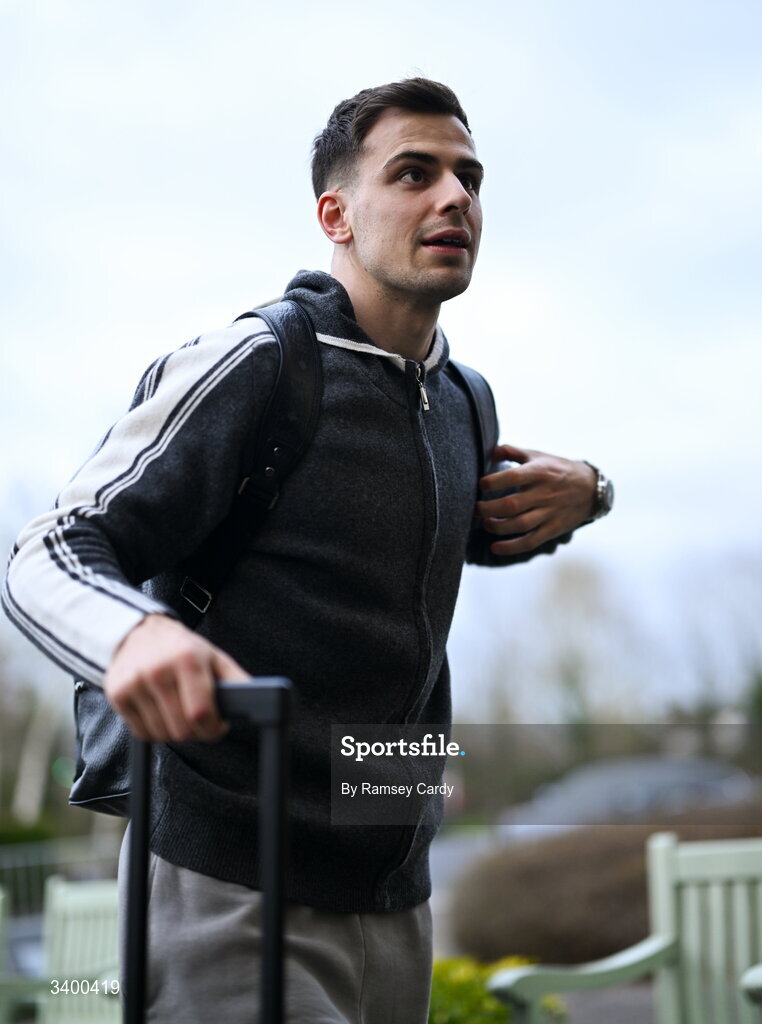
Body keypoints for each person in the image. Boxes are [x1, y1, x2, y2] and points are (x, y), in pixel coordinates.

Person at [2, 78, 613, 1023]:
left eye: (468, 177)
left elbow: (456, 544)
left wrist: (589, 492)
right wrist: (132, 638)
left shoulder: (463, 400)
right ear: (336, 214)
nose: (454, 198)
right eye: (414, 173)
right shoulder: (256, 363)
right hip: (227, 883)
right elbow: (49, 549)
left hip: (395, 891)